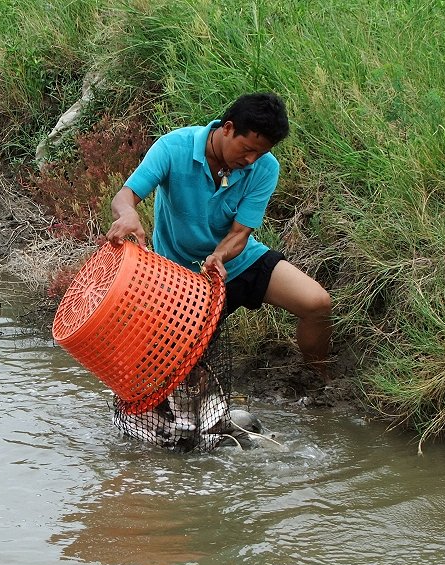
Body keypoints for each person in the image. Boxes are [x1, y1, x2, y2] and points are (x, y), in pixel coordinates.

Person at [105, 92, 332, 377]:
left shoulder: (265, 167)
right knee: (174, 369)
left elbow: (240, 232)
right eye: (246, 149)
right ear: (227, 128)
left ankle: (321, 381)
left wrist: (219, 255)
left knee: (317, 304)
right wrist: (128, 214)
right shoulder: (173, 148)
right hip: (179, 277)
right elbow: (124, 197)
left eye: (259, 153)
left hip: (235, 262)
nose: (250, 160)